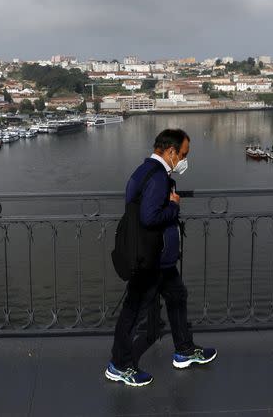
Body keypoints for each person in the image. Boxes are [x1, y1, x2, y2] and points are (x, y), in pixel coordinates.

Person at [105, 128, 217, 387]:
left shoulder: (143, 171)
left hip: (159, 257)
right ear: (170, 152)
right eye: (183, 154)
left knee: (177, 297)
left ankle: (184, 350)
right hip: (151, 259)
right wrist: (174, 206)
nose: (185, 160)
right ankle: (119, 364)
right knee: (134, 310)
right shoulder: (158, 178)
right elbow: (150, 217)